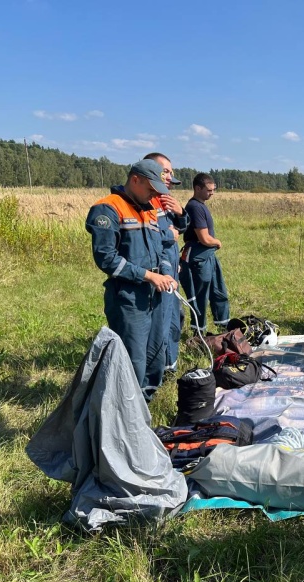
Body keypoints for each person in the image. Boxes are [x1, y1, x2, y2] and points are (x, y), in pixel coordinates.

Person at [85, 159, 179, 401]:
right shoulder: (107, 209)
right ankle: (126, 413)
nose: (154, 195)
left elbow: (163, 248)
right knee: (133, 359)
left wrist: (166, 272)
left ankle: (145, 408)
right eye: (150, 189)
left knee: (155, 356)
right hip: (128, 298)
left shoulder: (148, 208)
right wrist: (148, 276)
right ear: (135, 179)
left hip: (155, 293)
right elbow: (106, 259)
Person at [143, 152, 189, 374]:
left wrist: (180, 213)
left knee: (175, 317)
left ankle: (170, 365)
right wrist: (169, 235)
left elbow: (179, 228)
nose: (170, 178)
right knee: (159, 322)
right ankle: (157, 370)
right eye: (166, 172)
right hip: (158, 271)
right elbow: (148, 235)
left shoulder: (166, 199)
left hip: (172, 266)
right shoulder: (143, 202)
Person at [179, 173, 230, 335]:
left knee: (218, 290)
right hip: (198, 257)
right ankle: (198, 334)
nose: (212, 193)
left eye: (213, 190)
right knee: (200, 295)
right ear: (197, 188)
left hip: (208, 256)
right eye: (208, 190)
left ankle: (224, 327)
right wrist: (217, 242)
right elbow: (204, 238)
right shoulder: (194, 207)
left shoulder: (201, 205)